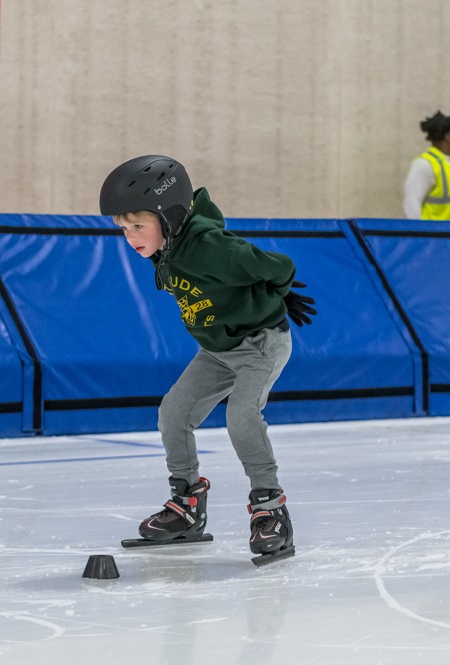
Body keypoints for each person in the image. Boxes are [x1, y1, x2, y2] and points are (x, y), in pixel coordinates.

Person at [99, 155, 316, 565]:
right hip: (217, 351)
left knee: (242, 418)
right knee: (174, 414)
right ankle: (186, 508)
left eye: (138, 226)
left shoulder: (213, 249)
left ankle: (270, 507)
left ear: (171, 216)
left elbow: (279, 266)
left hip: (260, 344)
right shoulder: (166, 248)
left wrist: (282, 293)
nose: (129, 237)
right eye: (124, 228)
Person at [403, 111, 450, 221]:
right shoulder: (425, 164)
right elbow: (411, 203)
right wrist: (418, 236)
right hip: (433, 237)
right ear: (448, 137)